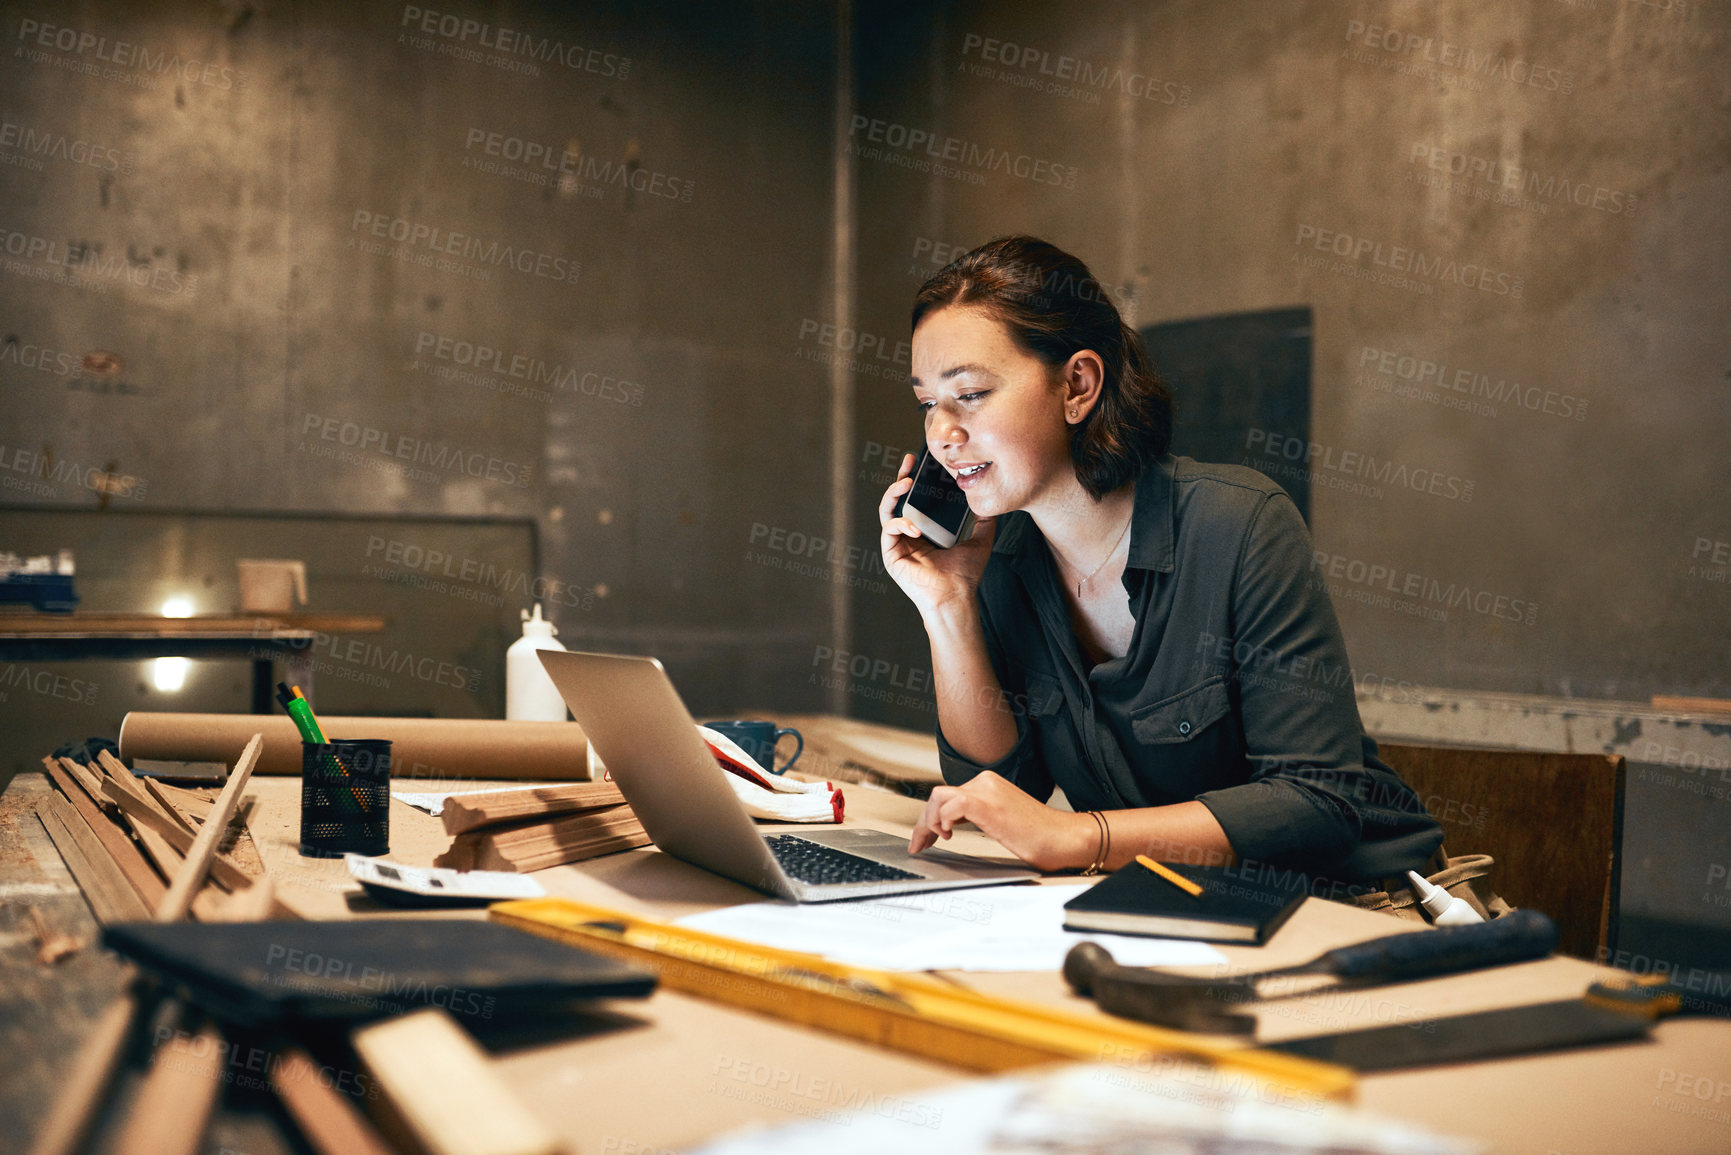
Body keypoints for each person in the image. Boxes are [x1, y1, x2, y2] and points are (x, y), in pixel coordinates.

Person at [880, 236, 1442, 887]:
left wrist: (1078, 835)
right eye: (927, 403)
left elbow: (1316, 805)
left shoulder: (1238, 524)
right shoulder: (1000, 557)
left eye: (970, 393)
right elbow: (996, 793)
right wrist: (948, 607)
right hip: (1177, 907)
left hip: (1359, 905)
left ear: (1078, 384)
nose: (941, 433)